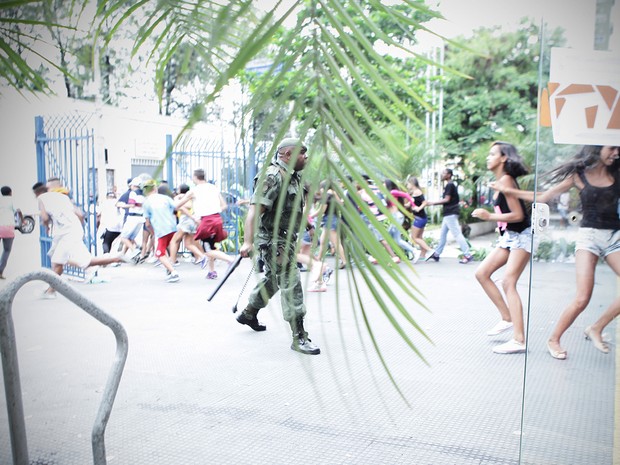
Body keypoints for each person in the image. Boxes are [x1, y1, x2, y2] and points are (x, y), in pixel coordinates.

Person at [491, 145, 620, 359]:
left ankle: (596, 328)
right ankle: (554, 339)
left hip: (614, 237)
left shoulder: (617, 173)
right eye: (612, 148)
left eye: (618, 149)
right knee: (582, 298)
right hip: (589, 237)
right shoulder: (579, 176)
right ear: (598, 149)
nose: (616, 153)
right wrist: (510, 191)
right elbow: (544, 197)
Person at [237, 137, 321, 355]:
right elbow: (254, 211)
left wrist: (309, 226)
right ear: (288, 154)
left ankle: (249, 312)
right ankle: (299, 336)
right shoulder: (273, 176)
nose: (306, 157)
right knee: (291, 281)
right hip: (273, 241)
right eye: (302, 152)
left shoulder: (293, 178)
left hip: (287, 239)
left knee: (275, 279)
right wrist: (247, 242)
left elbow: (292, 209)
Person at [471, 142, 532, 354]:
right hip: (509, 237)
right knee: (482, 273)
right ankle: (506, 318)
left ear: (504, 158)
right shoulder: (501, 180)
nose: (488, 157)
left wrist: (489, 217)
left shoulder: (507, 181)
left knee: (508, 282)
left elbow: (518, 215)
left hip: (522, 236)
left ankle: (519, 339)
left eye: (492, 154)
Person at [32, 182, 131, 298]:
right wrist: (80, 230)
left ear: (37, 192)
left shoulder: (41, 198)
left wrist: (46, 225)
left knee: (60, 262)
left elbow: (44, 218)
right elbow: (80, 214)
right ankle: (51, 289)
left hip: (65, 234)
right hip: (73, 231)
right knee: (66, 261)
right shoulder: (62, 197)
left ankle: (51, 291)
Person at [142, 180, 193, 283]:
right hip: (172, 227)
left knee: (159, 253)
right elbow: (176, 206)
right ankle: (169, 269)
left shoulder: (146, 203)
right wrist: (187, 197)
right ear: (155, 188)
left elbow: (147, 224)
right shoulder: (165, 198)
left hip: (161, 230)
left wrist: (153, 232)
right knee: (168, 247)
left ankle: (173, 272)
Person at [191, 168, 235, 279]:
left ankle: (230, 260)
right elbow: (224, 205)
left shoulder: (195, 190)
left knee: (207, 250)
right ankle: (211, 272)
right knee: (210, 245)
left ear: (195, 177)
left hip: (206, 222)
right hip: (217, 219)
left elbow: (177, 205)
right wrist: (213, 210)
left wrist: (198, 214)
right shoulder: (214, 188)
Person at [425, 168, 473, 263]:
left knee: (457, 234)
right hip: (448, 213)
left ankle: (467, 254)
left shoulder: (450, 185)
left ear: (449, 175)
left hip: (451, 213)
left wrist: (432, 203)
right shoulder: (450, 185)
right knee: (443, 235)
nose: (442, 175)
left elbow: (447, 199)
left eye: (444, 173)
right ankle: (437, 254)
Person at [406, 176, 435, 261]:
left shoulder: (417, 192)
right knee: (419, 237)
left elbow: (424, 202)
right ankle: (422, 255)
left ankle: (430, 250)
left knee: (414, 237)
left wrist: (418, 208)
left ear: (412, 183)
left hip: (420, 218)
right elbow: (410, 204)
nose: (407, 185)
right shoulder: (413, 193)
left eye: (408, 183)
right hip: (421, 218)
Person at [0, 186, 21, 279]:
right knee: (7, 250)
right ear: (10, 192)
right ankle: (0, 271)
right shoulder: (12, 200)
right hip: (8, 228)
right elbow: (18, 211)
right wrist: (23, 220)